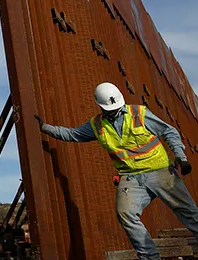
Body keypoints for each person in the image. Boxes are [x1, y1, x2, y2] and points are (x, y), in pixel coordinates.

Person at [36, 82, 198, 259]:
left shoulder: (139, 113)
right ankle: (150, 257)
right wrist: (46, 128)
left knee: (189, 213)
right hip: (131, 178)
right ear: (100, 106)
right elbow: (72, 134)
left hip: (160, 171)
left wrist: (180, 156)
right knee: (125, 214)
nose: (115, 111)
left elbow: (169, 131)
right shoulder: (96, 125)